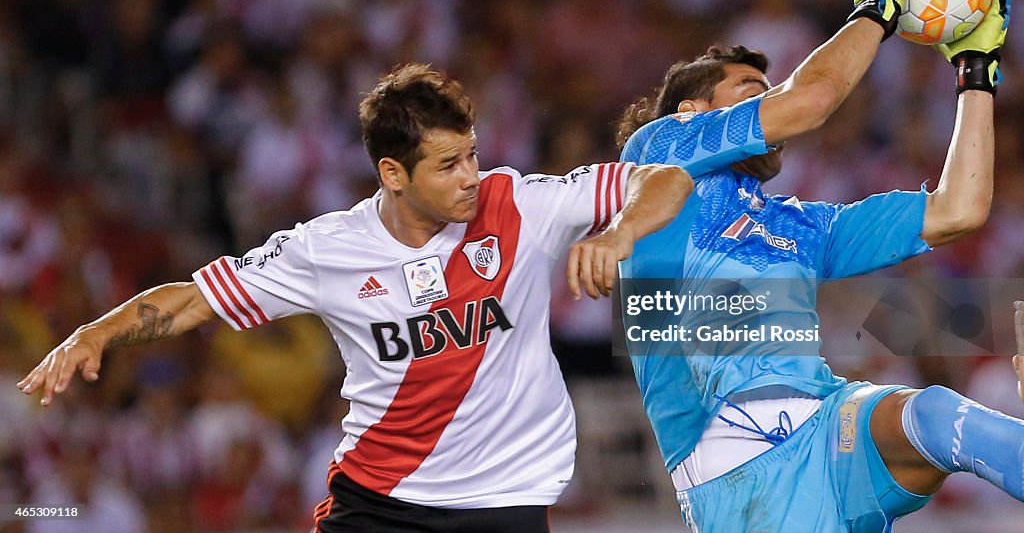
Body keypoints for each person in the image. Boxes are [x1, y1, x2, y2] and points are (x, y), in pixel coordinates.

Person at [18, 63, 693, 533]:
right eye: (448, 164)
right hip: (381, 499)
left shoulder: (520, 203)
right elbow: (194, 299)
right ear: (393, 173)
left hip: (503, 499)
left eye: (473, 155)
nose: (471, 177)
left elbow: (663, 177)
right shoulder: (325, 249)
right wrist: (95, 333)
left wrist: (622, 232)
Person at [615, 0, 1019, 531]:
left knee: (935, 417)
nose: (767, 105)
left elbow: (957, 209)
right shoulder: (658, 157)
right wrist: (878, 7)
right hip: (734, 468)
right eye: (751, 93)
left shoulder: (799, 224)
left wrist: (976, 67)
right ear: (693, 113)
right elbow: (810, 100)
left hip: (829, 423)